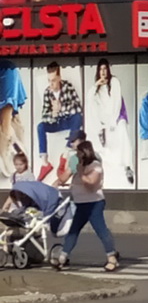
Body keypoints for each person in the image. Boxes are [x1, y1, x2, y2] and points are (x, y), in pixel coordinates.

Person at [52, 138, 117, 272]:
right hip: (80, 203)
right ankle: (63, 257)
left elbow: (90, 183)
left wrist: (80, 171)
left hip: (94, 203)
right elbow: (63, 178)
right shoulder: (77, 165)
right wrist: (63, 177)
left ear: (85, 153)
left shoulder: (95, 165)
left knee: (101, 230)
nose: (77, 155)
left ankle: (112, 258)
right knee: (73, 231)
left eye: (79, 153)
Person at [87, 59, 134, 186]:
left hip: (118, 117)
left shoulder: (114, 82)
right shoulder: (97, 89)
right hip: (106, 122)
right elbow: (89, 100)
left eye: (105, 69)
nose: (103, 72)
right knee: (108, 148)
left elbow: (117, 102)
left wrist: (113, 121)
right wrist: (96, 84)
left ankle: (128, 166)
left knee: (123, 134)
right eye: (100, 69)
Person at [37, 62, 82, 176]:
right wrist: (53, 113)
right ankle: (45, 163)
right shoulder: (47, 92)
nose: (51, 84)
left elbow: (77, 107)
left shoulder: (68, 87)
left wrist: (61, 108)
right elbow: (44, 115)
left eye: (53, 80)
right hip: (56, 122)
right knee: (40, 126)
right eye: (49, 80)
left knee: (78, 118)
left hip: (68, 121)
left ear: (59, 78)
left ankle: (65, 154)